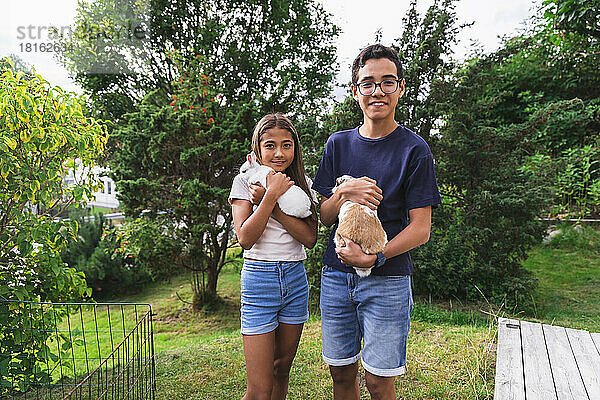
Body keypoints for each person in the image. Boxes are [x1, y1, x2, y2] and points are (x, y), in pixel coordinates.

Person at [312, 44, 442, 399]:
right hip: (336, 278)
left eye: (387, 82)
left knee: (379, 381)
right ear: (355, 91)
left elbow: (421, 228)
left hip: (388, 281)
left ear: (400, 88)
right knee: (341, 375)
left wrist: (376, 258)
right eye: (368, 83)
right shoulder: (338, 145)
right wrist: (344, 191)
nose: (377, 91)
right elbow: (324, 217)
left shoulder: (414, 151)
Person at [229, 113, 318, 400]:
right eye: (270, 145)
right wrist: (268, 197)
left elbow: (309, 238)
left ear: (295, 148)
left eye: (286, 145)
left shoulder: (302, 184)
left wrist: (276, 206)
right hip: (259, 280)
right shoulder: (244, 181)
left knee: (282, 370)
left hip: (294, 279)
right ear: (257, 148)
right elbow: (245, 238)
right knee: (259, 390)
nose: (279, 153)